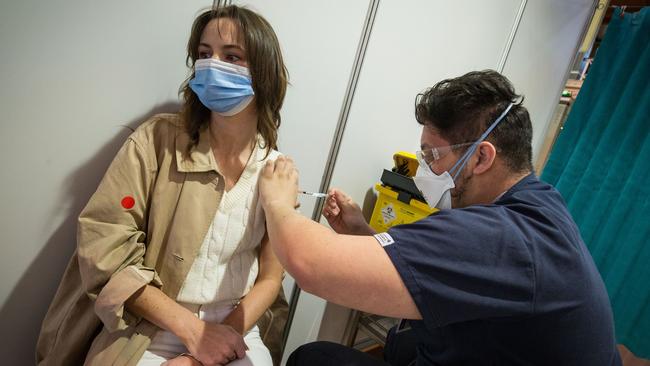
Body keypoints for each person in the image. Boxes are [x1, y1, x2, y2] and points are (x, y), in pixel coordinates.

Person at [257, 71, 622, 365]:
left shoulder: (502, 236)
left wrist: (277, 202)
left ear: (481, 158)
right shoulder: (537, 204)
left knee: (314, 358)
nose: (424, 170)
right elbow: (433, 273)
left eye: (433, 155)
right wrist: (361, 232)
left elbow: (311, 266)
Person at [36, 5, 289, 366]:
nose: (212, 65)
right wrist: (193, 336)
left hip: (237, 327)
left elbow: (271, 277)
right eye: (204, 54)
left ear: (265, 73)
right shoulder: (156, 140)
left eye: (232, 56)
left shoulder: (276, 170)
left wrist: (220, 342)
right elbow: (104, 246)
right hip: (148, 327)